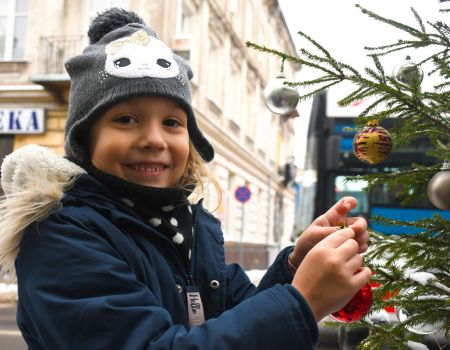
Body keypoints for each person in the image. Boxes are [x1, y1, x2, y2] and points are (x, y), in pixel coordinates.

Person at [0, 8, 371, 350]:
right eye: (126, 119)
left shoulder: (184, 231)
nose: (154, 139)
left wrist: (295, 269)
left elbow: (235, 322)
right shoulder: (61, 236)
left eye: (172, 123)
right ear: (86, 138)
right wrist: (303, 300)